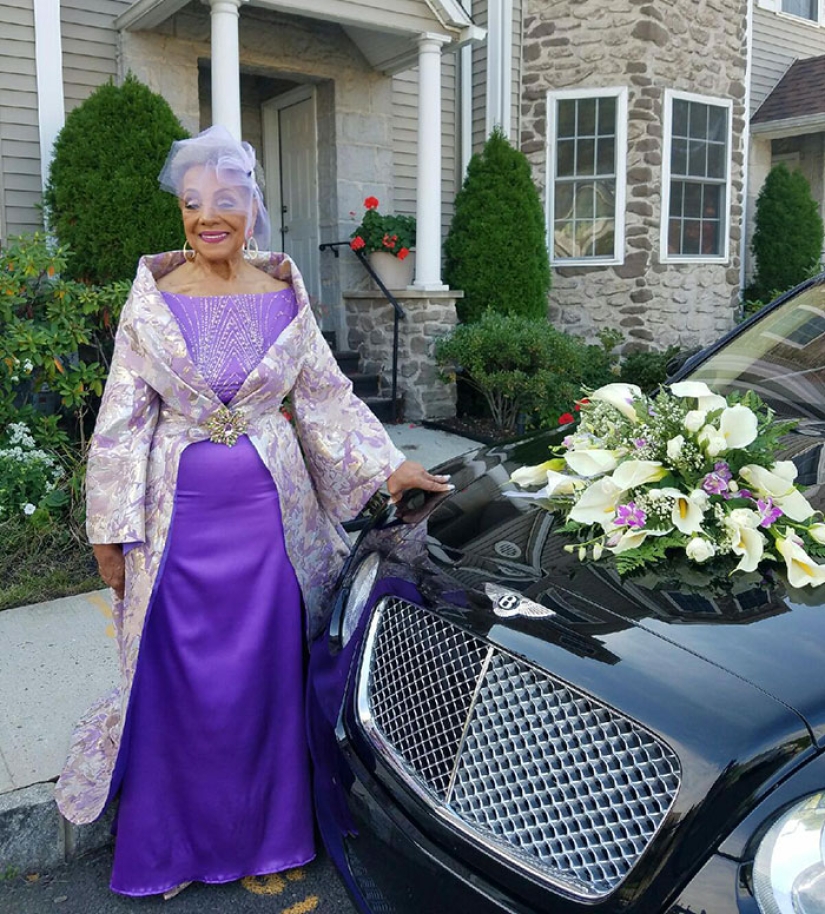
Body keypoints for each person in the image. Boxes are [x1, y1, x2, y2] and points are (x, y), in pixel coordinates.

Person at [54, 125, 450, 898]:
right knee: (178, 688)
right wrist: (110, 533)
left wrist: (392, 465)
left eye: (225, 200)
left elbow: (326, 398)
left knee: (263, 683)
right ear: (179, 211)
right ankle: (168, 849)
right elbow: (121, 422)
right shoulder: (154, 303)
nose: (209, 216)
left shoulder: (285, 295)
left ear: (253, 207)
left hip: (271, 532)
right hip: (175, 533)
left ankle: (269, 839)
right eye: (193, 202)